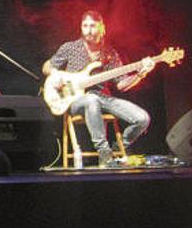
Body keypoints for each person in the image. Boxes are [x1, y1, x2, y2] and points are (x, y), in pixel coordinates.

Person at [43, 10, 154, 166]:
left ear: (102, 28)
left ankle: (116, 149)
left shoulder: (110, 53)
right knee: (91, 99)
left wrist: (140, 74)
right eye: (85, 26)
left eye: (93, 26)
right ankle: (104, 153)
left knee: (142, 118)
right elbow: (47, 66)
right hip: (75, 101)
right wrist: (57, 75)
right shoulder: (70, 48)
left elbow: (121, 84)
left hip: (103, 98)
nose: (88, 30)